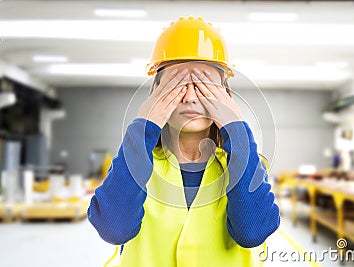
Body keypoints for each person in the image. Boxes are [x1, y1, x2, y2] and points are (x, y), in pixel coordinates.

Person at [87, 16, 280, 267]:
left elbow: (252, 232)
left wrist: (236, 129)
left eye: (204, 84)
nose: (190, 96)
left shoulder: (246, 165)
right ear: (154, 93)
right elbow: (114, 228)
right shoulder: (134, 163)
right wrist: (144, 125)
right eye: (176, 83)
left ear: (227, 96)